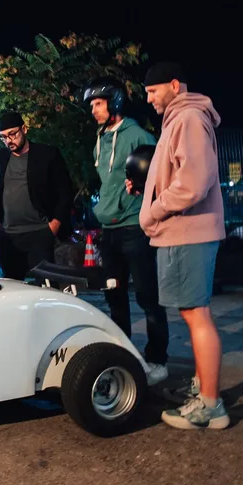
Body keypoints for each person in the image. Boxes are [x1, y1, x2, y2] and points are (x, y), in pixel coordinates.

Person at [137, 61, 229, 430]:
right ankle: (203, 386)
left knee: (196, 314)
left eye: (153, 91)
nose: (149, 99)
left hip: (188, 231)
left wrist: (155, 210)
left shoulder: (188, 118)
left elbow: (194, 181)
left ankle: (210, 405)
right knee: (193, 314)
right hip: (182, 231)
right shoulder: (181, 118)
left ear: (174, 85)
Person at [83, 77, 170, 385]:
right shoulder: (101, 138)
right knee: (114, 297)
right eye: (91, 104)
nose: (93, 109)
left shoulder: (137, 135)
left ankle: (158, 359)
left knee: (148, 297)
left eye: (98, 103)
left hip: (135, 226)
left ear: (114, 102)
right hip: (109, 229)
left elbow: (161, 173)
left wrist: (147, 188)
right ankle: (125, 355)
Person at [0, 111, 74, 280]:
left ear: (24, 129)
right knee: (13, 289)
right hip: (8, 235)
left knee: (46, 288)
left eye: (12, 134)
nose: (9, 141)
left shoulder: (47, 154)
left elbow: (65, 191)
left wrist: (55, 224)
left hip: (40, 232)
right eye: (4, 137)